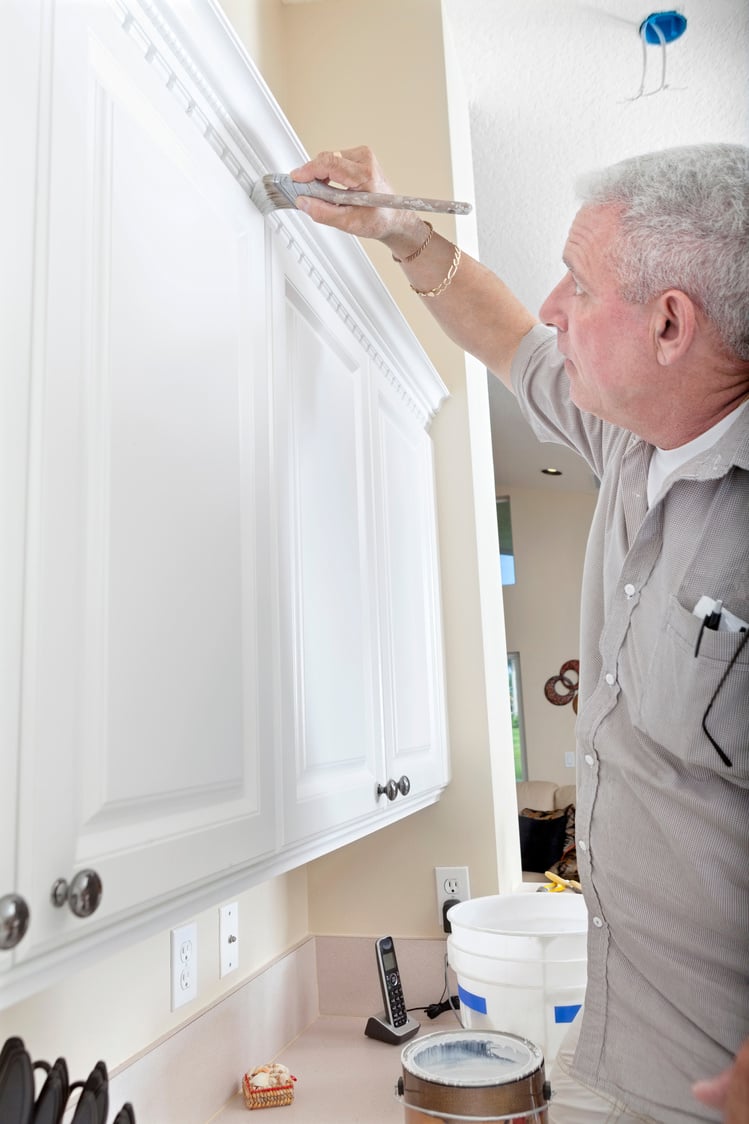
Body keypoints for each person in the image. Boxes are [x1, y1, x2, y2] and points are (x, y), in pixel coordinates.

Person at [288, 144, 749, 1123]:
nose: (552, 304)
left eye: (578, 285)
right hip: (613, 1042)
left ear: (669, 323)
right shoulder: (634, 437)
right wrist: (399, 231)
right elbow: (503, 332)